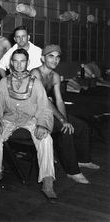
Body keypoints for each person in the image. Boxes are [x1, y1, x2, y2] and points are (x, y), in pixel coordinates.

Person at [0, 48, 57, 200]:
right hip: (9, 119)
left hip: (31, 119)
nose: (19, 65)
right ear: (11, 63)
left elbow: (44, 108)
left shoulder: (36, 83)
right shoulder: (3, 82)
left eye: (22, 61)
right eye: (16, 61)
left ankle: (47, 180)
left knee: (46, 139)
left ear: (28, 62)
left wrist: (43, 124)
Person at [31, 44, 99, 184]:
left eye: (57, 57)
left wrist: (66, 119)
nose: (54, 60)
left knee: (81, 126)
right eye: (51, 56)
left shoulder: (55, 76)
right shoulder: (35, 73)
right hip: (35, 114)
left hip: (48, 111)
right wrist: (62, 121)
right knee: (65, 130)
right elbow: (44, 101)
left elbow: (59, 101)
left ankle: (83, 160)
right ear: (42, 59)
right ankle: (72, 171)